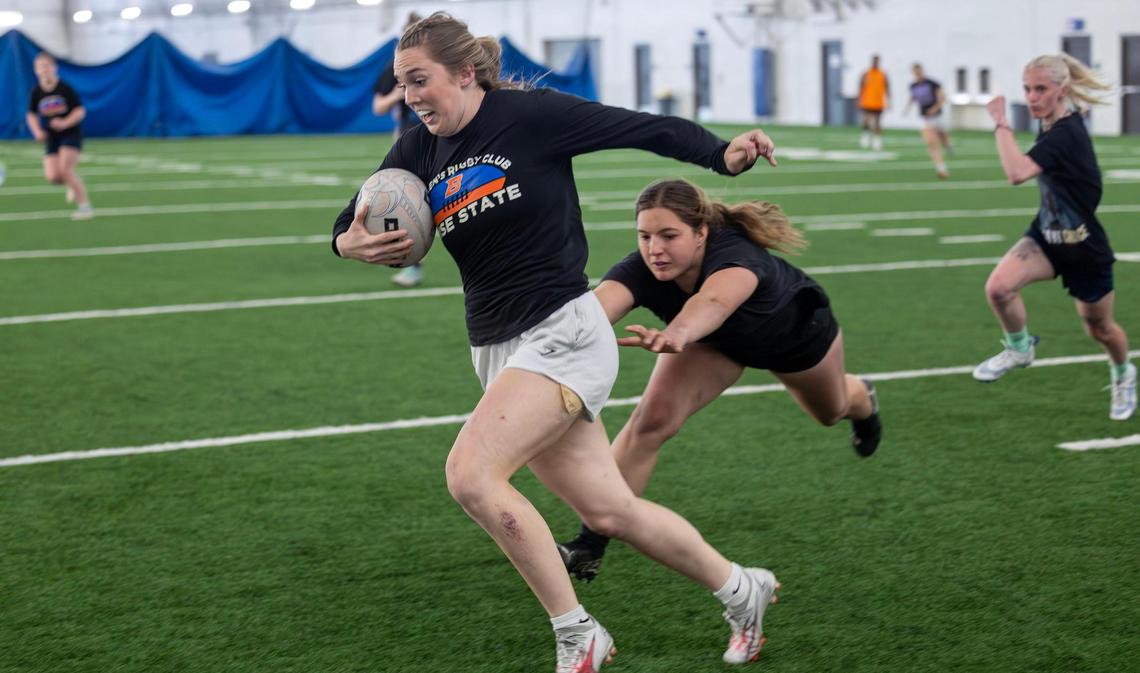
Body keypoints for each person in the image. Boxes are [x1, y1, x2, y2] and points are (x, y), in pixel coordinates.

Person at [332, 12, 785, 672]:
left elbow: (640, 125)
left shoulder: (529, 116)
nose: (410, 96)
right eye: (402, 83)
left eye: (420, 80)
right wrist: (356, 242)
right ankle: (744, 589)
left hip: (565, 330)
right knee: (610, 508)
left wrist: (721, 154)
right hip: (497, 348)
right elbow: (349, 220)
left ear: (462, 73)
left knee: (470, 474)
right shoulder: (417, 153)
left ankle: (578, 632)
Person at [557, 178, 882, 582]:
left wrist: (676, 333)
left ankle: (863, 397)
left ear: (701, 233)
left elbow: (713, 302)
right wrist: (546, 339)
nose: (654, 249)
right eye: (644, 236)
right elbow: (595, 310)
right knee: (652, 422)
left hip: (796, 341)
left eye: (669, 235)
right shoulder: (642, 268)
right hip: (716, 344)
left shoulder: (738, 257)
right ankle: (590, 542)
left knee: (832, 411)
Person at [975, 53, 1135, 421]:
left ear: (1062, 91)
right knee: (998, 289)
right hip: (1047, 236)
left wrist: (1001, 123)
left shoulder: (1066, 133)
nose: (1032, 96)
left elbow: (1016, 173)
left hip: (1083, 246)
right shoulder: (1050, 122)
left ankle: (1123, 373)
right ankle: (1019, 349)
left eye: (1041, 89)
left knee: (1100, 329)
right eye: (1027, 89)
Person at [373, 12, 426, 288]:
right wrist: (400, 93)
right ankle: (412, 264)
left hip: (439, 136)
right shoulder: (393, 68)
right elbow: (379, 107)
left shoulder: (437, 66)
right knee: (407, 203)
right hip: (407, 141)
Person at [26, 52, 93, 220]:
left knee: (65, 169)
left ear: (54, 68)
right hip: (52, 137)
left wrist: (65, 123)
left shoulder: (65, 88)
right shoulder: (36, 92)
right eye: (40, 67)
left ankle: (85, 207)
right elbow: (31, 114)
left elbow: (80, 111)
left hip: (70, 133)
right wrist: (37, 131)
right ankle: (73, 181)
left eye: (47, 66)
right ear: (36, 71)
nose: (44, 70)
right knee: (53, 177)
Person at [903, 63, 952, 179]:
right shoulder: (913, 86)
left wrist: (934, 108)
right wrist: (907, 108)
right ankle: (941, 169)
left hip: (937, 116)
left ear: (922, 71)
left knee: (943, 135)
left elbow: (942, 98)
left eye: (919, 71)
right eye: (915, 72)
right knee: (931, 143)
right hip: (925, 117)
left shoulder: (932, 83)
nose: (917, 74)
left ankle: (947, 145)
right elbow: (912, 97)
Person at [857, 54, 890, 151]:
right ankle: (865, 137)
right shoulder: (866, 73)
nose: (875, 63)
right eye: (874, 61)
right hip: (867, 101)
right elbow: (861, 86)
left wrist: (889, 100)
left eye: (877, 61)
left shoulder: (883, 74)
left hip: (878, 102)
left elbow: (887, 87)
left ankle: (877, 140)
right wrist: (859, 98)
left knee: (877, 122)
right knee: (866, 120)